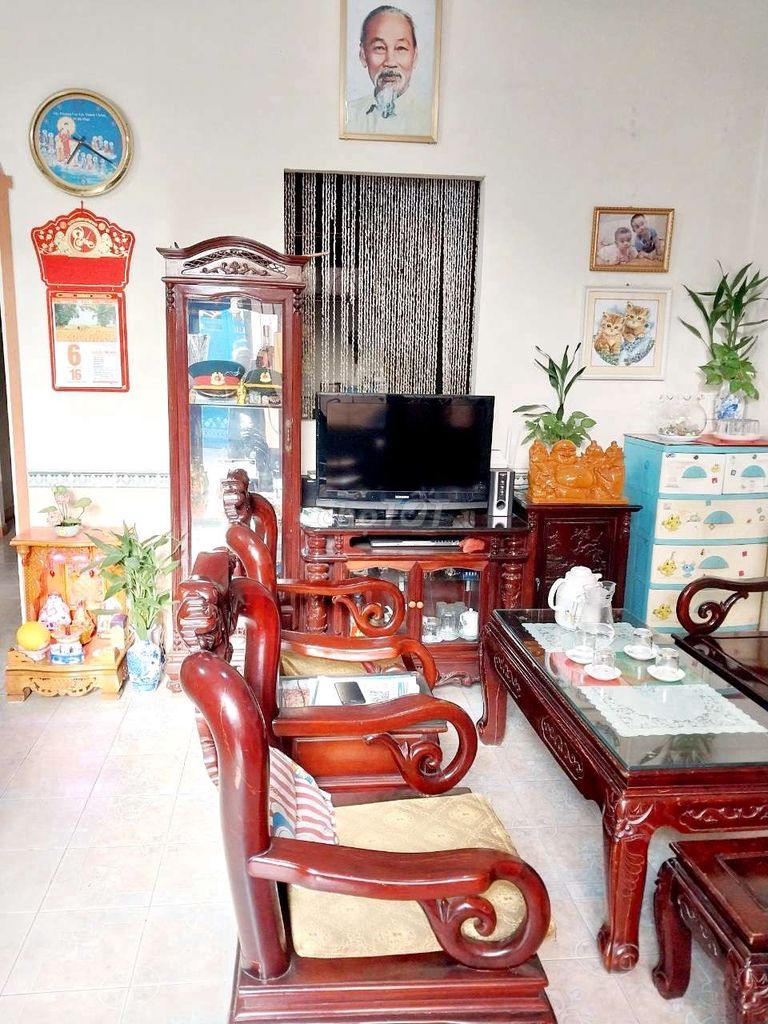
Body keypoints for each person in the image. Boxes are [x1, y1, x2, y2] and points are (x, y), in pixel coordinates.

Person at [345, 5, 432, 136]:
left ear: (414, 57)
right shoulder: (348, 116)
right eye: (379, 48)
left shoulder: (429, 119)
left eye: (401, 48)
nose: (390, 62)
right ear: (363, 56)